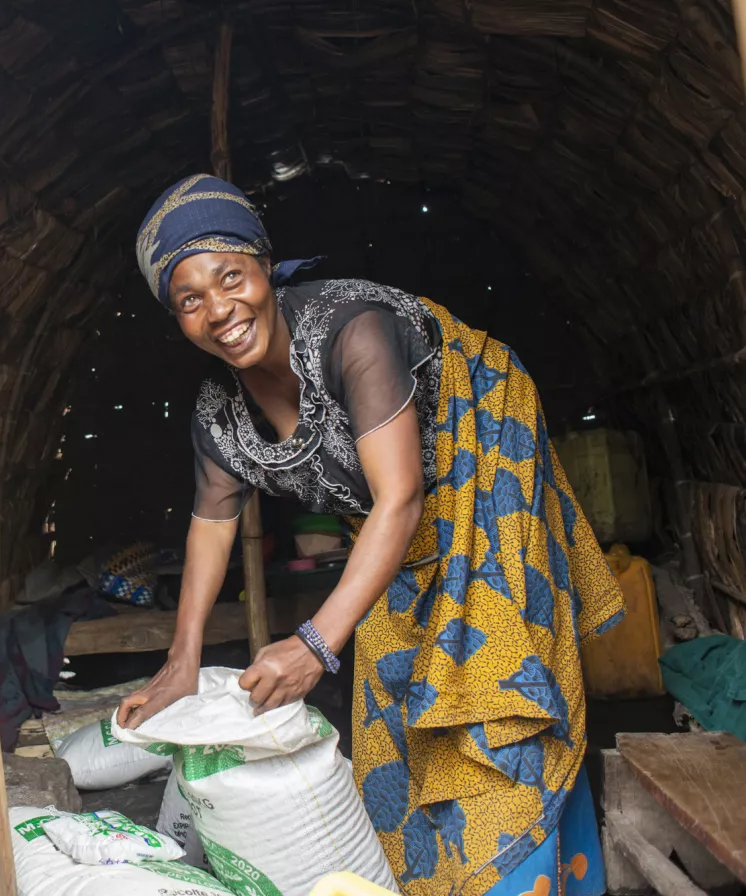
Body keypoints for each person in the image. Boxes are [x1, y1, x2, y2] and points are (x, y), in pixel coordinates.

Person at [117, 174, 625, 896]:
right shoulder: (217, 412)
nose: (218, 310)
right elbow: (212, 520)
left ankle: (532, 874)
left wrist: (316, 644)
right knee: (398, 689)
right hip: (398, 519)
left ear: (264, 266)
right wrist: (182, 658)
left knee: (493, 683)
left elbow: (400, 496)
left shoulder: (352, 329)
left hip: (481, 458)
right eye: (189, 300)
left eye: (230, 277)